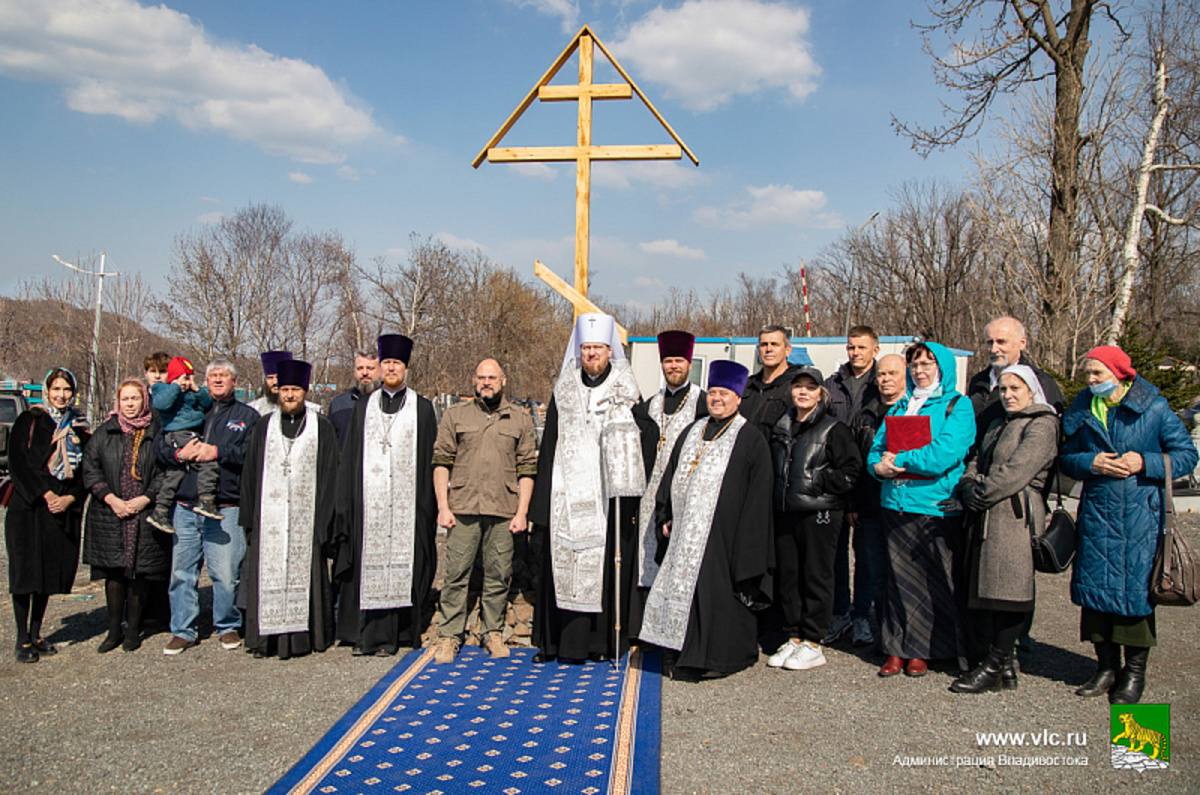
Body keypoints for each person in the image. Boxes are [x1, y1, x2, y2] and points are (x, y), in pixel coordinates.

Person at [1059, 345, 1197, 704]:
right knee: (1095, 594)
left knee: (1135, 596)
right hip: (1098, 514)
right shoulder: (1082, 407)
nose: (1090, 381)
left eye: (1097, 374)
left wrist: (1144, 461)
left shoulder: (1154, 407)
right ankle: (1105, 669)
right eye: (1087, 375)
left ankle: (1134, 674)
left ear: (1120, 374)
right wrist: (1093, 463)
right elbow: (1067, 459)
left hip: (1140, 517)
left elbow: (1186, 455)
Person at [638, 360, 773, 679]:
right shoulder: (692, 430)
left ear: (738, 397)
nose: (717, 398)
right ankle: (679, 650)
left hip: (726, 538)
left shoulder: (750, 437)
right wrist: (665, 516)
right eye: (713, 392)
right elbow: (668, 479)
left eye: (725, 393)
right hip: (684, 534)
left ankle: (717, 658)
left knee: (716, 595)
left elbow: (759, 498)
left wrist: (747, 541)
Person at [529, 312, 649, 664]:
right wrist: (541, 503)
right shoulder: (564, 388)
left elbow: (638, 443)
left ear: (610, 350)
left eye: (598, 347)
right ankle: (554, 644)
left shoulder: (626, 389)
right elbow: (549, 444)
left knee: (603, 568)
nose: (592, 354)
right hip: (564, 494)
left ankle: (599, 645)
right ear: (578, 351)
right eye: (586, 348)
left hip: (604, 497)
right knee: (560, 566)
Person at [867, 342, 975, 678]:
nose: (920, 370)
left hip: (932, 506)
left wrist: (898, 461)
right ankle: (895, 647)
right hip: (894, 502)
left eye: (928, 364)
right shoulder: (900, 406)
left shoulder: (958, 405)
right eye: (915, 364)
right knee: (894, 581)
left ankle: (923, 650)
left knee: (931, 582)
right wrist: (877, 468)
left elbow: (944, 453)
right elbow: (877, 448)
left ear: (942, 367)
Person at [949, 365, 1059, 693]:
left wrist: (977, 493)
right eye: (1004, 389)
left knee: (1010, 591)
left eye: (1016, 389)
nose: (1008, 395)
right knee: (991, 590)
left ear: (1031, 391)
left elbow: (1018, 471)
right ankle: (1006, 666)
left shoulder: (1042, 423)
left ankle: (993, 665)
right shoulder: (999, 422)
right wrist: (967, 483)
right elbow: (977, 460)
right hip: (987, 515)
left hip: (1015, 516)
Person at [334, 334, 438, 656]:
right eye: (387, 363)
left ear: (406, 368)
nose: (391, 368)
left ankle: (400, 635)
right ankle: (367, 637)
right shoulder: (364, 407)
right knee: (368, 566)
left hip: (408, 507)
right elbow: (351, 459)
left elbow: (430, 461)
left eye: (397, 363)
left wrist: (425, 508)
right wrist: (349, 503)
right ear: (379, 369)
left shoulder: (422, 408)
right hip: (371, 506)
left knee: (405, 565)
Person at [431, 359, 538, 663]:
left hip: (503, 509)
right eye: (481, 377)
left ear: (504, 380)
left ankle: (492, 631)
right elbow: (441, 462)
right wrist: (443, 506)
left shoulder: (520, 419)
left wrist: (522, 512)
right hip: (463, 507)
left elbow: (528, 468)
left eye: (492, 377)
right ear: (473, 380)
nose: (486, 382)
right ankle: (450, 635)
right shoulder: (455, 415)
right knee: (456, 573)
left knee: (498, 573)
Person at [156, 359, 259, 655]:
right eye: (212, 375)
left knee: (225, 573)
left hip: (225, 505)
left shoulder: (247, 416)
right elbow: (158, 448)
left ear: (234, 381)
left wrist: (217, 451)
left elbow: (251, 453)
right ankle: (183, 629)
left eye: (223, 376)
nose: (217, 380)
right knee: (182, 572)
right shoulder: (186, 408)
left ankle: (227, 625)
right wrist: (178, 454)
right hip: (186, 504)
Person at [239, 359, 340, 659]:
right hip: (269, 522)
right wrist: (251, 520)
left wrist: (323, 524)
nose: (290, 395)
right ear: (277, 392)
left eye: (295, 389)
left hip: (305, 522)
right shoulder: (262, 427)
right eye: (285, 389)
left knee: (306, 576)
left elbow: (330, 477)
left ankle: (304, 639)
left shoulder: (321, 427)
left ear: (305, 391)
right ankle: (266, 641)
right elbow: (250, 475)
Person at [766, 367, 861, 671]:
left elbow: (851, 471)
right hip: (786, 510)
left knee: (816, 575)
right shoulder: (782, 427)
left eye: (810, 387)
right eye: (798, 387)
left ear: (821, 392)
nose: (803, 392)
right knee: (789, 576)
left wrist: (818, 483)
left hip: (820, 512)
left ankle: (814, 640)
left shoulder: (834, 429)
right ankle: (794, 636)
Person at [4, 368, 91, 662]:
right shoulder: (29, 420)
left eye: (66, 389)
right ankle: (21, 639)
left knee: (46, 574)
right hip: (28, 509)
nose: (61, 395)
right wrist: (47, 493)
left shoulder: (80, 427)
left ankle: (37, 633)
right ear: (46, 390)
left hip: (59, 510)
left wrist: (69, 497)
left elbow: (85, 472)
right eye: (56, 389)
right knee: (25, 574)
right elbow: (19, 463)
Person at [82, 379, 169, 653]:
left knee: (138, 574)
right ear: (117, 402)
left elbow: (165, 472)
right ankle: (112, 630)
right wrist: (111, 499)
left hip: (142, 512)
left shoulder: (156, 432)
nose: (130, 404)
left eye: (135, 399)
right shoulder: (104, 432)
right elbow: (90, 469)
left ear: (145, 401)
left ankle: (133, 629)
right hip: (112, 512)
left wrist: (145, 499)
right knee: (115, 574)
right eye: (125, 399)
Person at [631, 330, 706, 635]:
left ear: (689, 363)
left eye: (679, 360)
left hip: (684, 495)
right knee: (645, 559)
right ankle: (644, 628)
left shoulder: (703, 403)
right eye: (668, 361)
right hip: (648, 495)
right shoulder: (647, 405)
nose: (673, 366)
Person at [823, 326, 881, 646]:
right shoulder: (832, 385)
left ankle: (862, 616)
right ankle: (840, 613)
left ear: (875, 349)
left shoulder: (880, 385)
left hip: (869, 483)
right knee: (836, 556)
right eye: (851, 347)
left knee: (866, 555)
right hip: (836, 482)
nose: (855, 353)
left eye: (861, 347)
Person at [846, 353, 906, 648]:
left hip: (903, 503)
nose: (886, 379)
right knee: (869, 567)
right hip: (869, 505)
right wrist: (853, 503)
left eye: (893, 373)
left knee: (901, 571)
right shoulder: (866, 415)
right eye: (881, 374)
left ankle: (902, 634)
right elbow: (855, 463)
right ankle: (868, 623)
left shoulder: (913, 413)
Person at [967, 317, 1064, 448]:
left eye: (1001, 342)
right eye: (990, 342)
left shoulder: (1040, 381)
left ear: (1022, 343)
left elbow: (1051, 432)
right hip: (976, 460)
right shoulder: (979, 381)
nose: (994, 349)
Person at [148, 356, 219, 532]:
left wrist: (196, 388)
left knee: (175, 473)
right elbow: (161, 404)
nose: (185, 382)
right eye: (183, 377)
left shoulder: (191, 393)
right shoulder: (162, 388)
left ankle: (161, 509)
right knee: (207, 459)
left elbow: (207, 403)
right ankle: (206, 498)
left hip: (191, 431)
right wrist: (175, 386)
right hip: (178, 432)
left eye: (188, 377)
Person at [739, 325, 802, 440]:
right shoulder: (747, 386)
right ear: (758, 350)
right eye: (764, 345)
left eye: (774, 344)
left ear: (788, 350)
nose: (768, 349)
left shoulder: (797, 387)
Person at [328, 348, 380, 446]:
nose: (365, 373)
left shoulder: (390, 404)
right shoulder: (338, 405)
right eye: (360, 368)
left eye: (370, 368)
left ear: (381, 371)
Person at [247, 350, 293, 416]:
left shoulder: (308, 410)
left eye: (278, 377)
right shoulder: (253, 410)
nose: (275, 382)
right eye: (270, 378)